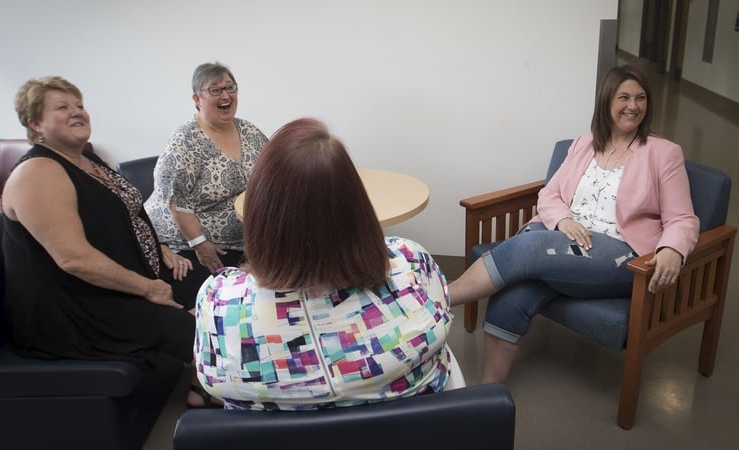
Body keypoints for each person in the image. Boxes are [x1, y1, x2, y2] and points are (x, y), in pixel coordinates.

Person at [449, 64, 700, 383]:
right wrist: (563, 219)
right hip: (564, 243)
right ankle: (489, 392)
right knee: (514, 294)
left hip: (621, 256)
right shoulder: (584, 144)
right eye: (624, 97)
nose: (633, 106)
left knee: (530, 245)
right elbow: (550, 193)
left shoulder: (664, 153)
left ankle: (441, 298)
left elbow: (683, 218)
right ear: (607, 101)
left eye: (641, 98)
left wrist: (673, 250)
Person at [194, 118, 459, 410]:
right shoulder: (411, 264)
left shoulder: (219, 303)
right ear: (357, 205)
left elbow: (214, 380)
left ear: (261, 214)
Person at [2, 76, 215, 408]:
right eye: (62, 107)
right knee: (188, 328)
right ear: (34, 122)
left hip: (119, 282)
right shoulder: (38, 172)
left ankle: (207, 376)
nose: (78, 112)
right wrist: (149, 288)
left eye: (79, 105)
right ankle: (209, 391)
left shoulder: (85, 161)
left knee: (211, 288)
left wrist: (161, 249)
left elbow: (124, 215)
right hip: (73, 308)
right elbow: (74, 259)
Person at [145, 62, 268, 302]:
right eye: (215, 90)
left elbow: (272, 171)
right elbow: (176, 202)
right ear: (197, 98)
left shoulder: (249, 131)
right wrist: (200, 244)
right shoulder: (184, 141)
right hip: (186, 244)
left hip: (243, 240)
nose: (225, 95)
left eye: (230, 87)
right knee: (220, 299)